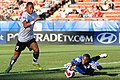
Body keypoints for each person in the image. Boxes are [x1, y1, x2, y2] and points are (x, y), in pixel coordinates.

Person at [5, 2, 42, 73]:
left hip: (30, 38)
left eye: (32, 8)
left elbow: (38, 17)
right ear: (26, 8)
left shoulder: (34, 14)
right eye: (30, 8)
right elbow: (25, 25)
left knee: (36, 50)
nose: (32, 9)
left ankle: (35, 62)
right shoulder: (25, 15)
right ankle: (10, 66)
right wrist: (34, 21)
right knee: (16, 56)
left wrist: (40, 17)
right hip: (22, 39)